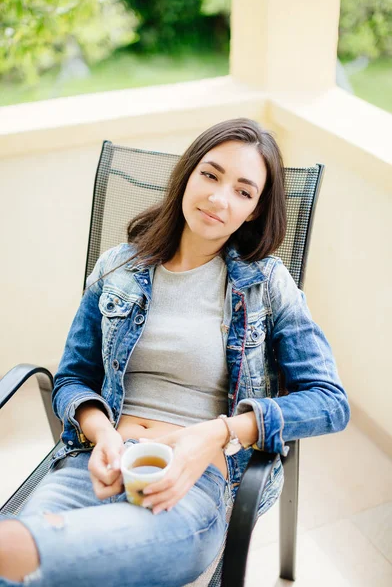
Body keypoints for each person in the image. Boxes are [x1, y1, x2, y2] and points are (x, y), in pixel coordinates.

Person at [0, 118, 350, 587]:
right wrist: (101, 432)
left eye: (244, 192)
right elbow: (71, 379)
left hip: (190, 480)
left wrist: (220, 432)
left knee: (25, 560)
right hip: (97, 463)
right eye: (210, 174)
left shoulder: (266, 284)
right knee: (28, 568)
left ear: (254, 212)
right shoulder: (119, 266)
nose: (219, 198)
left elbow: (330, 401)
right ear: (187, 175)